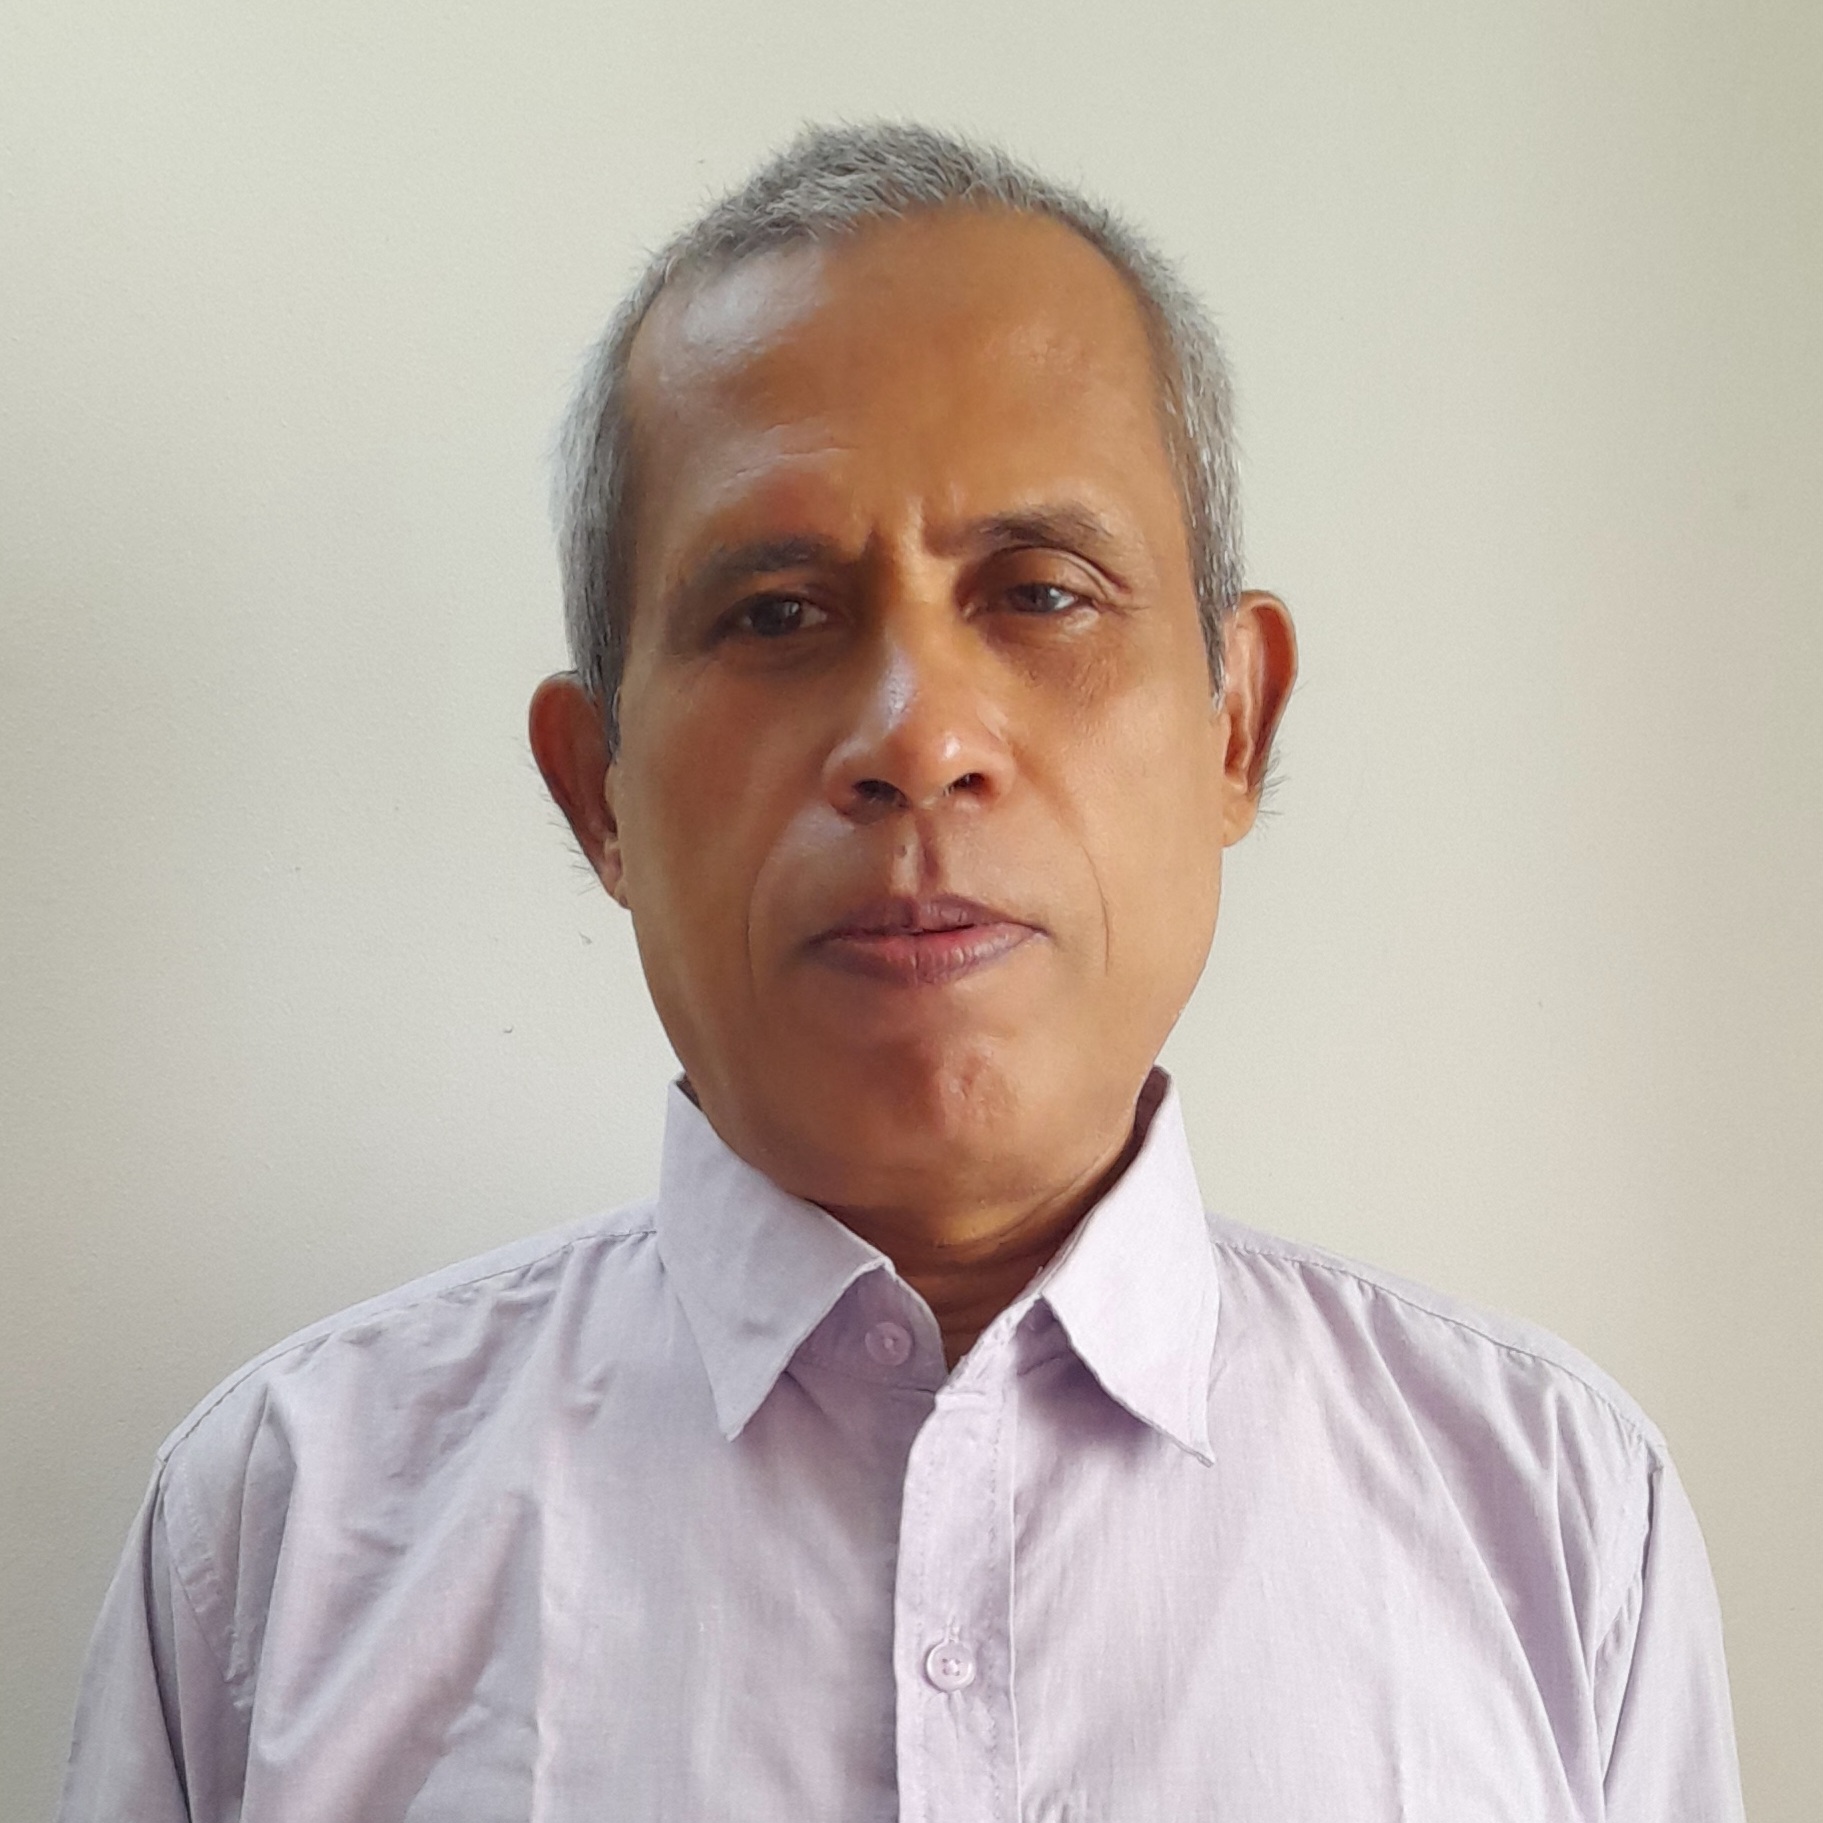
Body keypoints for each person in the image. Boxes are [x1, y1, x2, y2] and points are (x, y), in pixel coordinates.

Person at [59, 122, 1742, 1822]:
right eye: (777, 614)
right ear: (598, 791)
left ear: (1235, 724)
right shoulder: (280, 1540)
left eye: (1042, 593)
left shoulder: (1554, 1518)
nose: (920, 737)